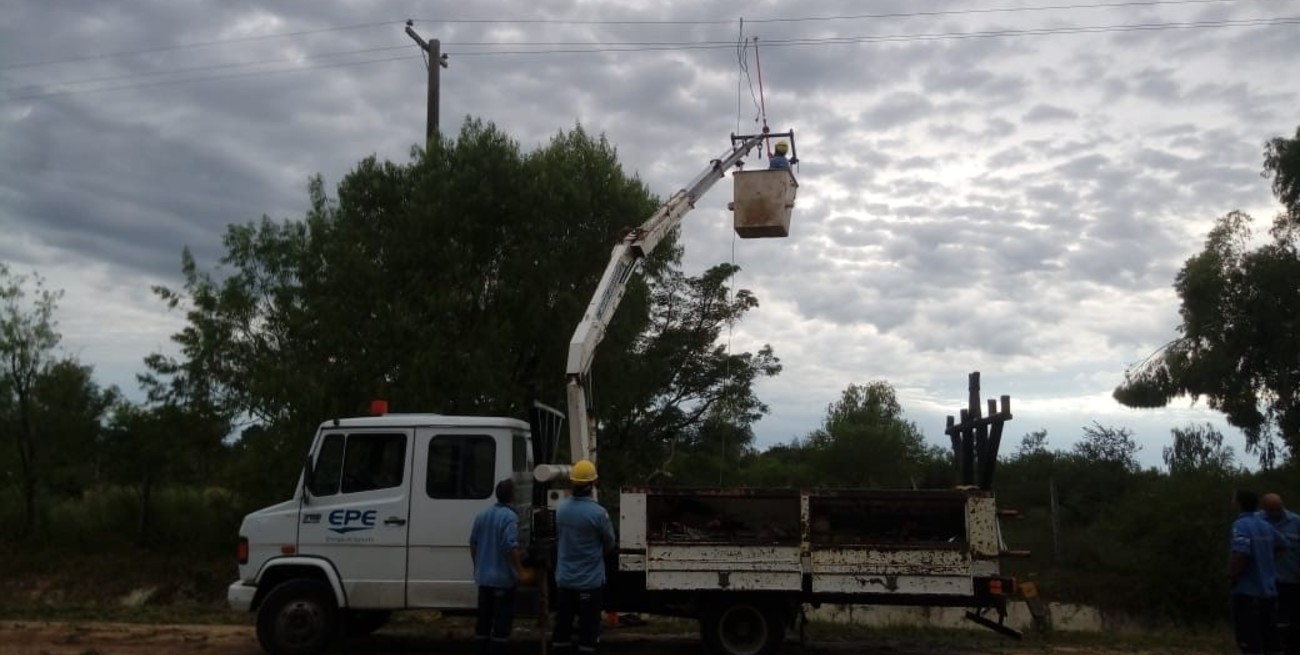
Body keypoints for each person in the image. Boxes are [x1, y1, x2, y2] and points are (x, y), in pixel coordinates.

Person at [551, 459, 616, 655]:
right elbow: (610, 543)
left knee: (562, 630)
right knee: (588, 633)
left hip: (565, 581)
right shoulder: (598, 514)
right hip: (589, 583)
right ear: (592, 484)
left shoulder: (561, 509)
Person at [469, 479, 525, 655]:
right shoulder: (510, 517)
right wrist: (520, 571)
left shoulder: (482, 515)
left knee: (483, 624)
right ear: (512, 496)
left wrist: (478, 564)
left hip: (484, 578)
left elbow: (473, 543)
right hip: (502, 580)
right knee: (501, 625)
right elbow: (510, 546)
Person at [1231, 489, 1281, 655]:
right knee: (1268, 640)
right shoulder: (1266, 526)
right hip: (1269, 591)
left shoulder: (1241, 525)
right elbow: (1284, 544)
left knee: (1249, 640)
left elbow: (1241, 553)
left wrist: (1233, 576)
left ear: (1239, 503)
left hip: (1248, 591)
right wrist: (1266, 558)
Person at [1262, 493, 1300, 654]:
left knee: (1293, 623)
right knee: (1270, 621)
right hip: (1267, 582)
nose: (1276, 513)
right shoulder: (1259, 521)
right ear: (1265, 510)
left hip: (1292, 579)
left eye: (1278, 509)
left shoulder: (1296, 522)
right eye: (1272, 510)